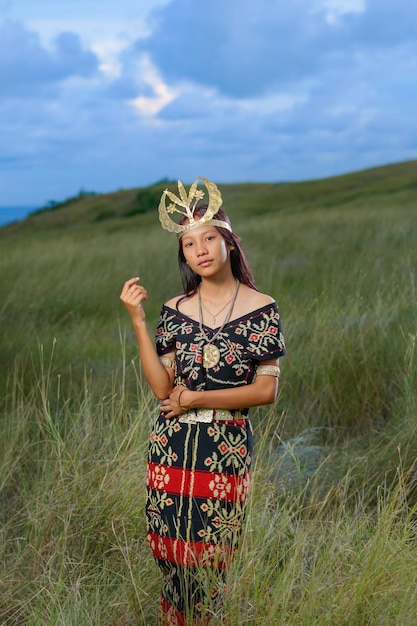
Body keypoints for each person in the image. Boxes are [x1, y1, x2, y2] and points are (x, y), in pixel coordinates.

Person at [120, 177, 286, 625]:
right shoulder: (175, 310)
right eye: (190, 244)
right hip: (171, 444)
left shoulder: (261, 307)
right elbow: (161, 387)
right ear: (185, 255)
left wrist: (194, 398)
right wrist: (138, 320)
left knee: (213, 555)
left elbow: (265, 390)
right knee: (171, 551)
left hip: (226, 445)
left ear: (228, 242)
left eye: (209, 238)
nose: (201, 249)